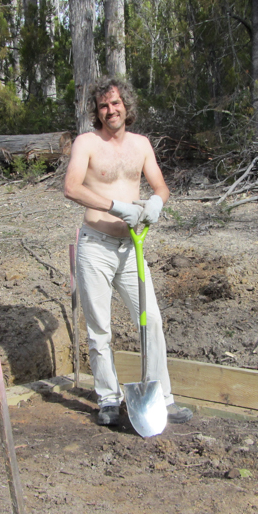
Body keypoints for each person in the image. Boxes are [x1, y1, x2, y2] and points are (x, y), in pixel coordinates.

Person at [64, 75, 193, 427]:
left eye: (115, 103)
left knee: (151, 319)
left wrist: (156, 202)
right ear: (97, 111)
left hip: (130, 248)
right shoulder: (86, 143)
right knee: (99, 328)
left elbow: (162, 185)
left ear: (126, 106)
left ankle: (162, 399)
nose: (110, 110)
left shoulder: (141, 145)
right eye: (103, 105)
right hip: (96, 247)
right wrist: (116, 206)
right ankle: (108, 398)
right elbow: (71, 187)